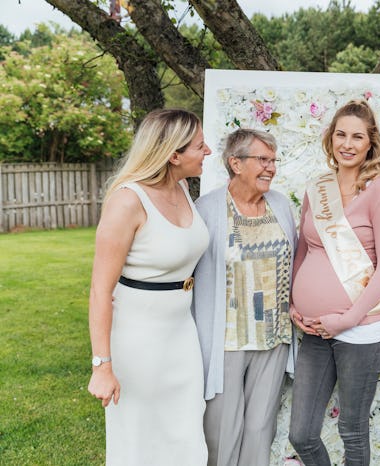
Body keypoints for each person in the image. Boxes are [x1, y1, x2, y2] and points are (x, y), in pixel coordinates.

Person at [87, 108, 212, 465]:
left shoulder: (183, 188)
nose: (209, 152)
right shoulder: (127, 201)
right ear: (174, 155)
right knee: (140, 437)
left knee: (187, 431)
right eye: (200, 146)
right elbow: (99, 290)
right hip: (137, 338)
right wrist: (102, 366)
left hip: (181, 332)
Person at [288, 99, 380, 466]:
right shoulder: (316, 188)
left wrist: (348, 318)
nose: (347, 144)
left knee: (352, 431)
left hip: (360, 331)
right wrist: (294, 304)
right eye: (340, 134)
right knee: (301, 434)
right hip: (316, 330)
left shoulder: (378, 189)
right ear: (330, 138)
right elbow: (303, 249)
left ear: (371, 143)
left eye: (357, 136)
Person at [191, 129, 298, 466]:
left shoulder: (280, 205)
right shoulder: (207, 209)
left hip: (274, 339)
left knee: (259, 429)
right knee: (222, 431)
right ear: (235, 163)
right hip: (226, 341)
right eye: (262, 160)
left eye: (273, 160)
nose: (270, 168)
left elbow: (295, 263)